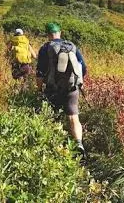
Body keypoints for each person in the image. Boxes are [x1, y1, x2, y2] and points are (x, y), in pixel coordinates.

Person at [36, 22, 87, 156]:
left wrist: (39, 89)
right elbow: (83, 67)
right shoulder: (71, 46)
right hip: (72, 87)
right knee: (73, 117)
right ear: (60, 32)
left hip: (53, 88)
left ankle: (56, 147)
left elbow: (40, 73)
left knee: (52, 117)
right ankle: (79, 143)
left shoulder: (45, 48)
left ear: (48, 34)